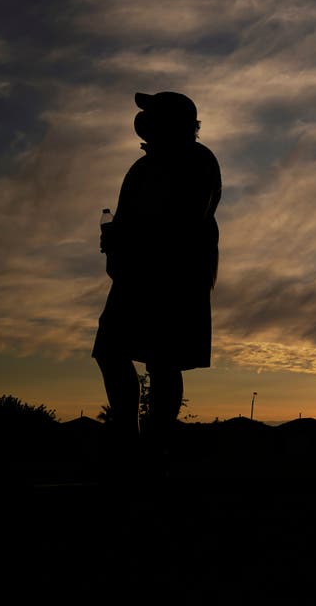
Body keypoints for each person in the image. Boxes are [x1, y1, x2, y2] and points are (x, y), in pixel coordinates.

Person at [94, 91, 221, 463]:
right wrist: (116, 241)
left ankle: (151, 451)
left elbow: (185, 221)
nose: (144, 121)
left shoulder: (198, 161)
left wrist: (129, 237)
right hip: (135, 275)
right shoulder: (141, 168)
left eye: (151, 114)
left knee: (164, 362)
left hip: (176, 278)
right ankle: (128, 439)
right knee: (109, 350)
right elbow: (127, 219)